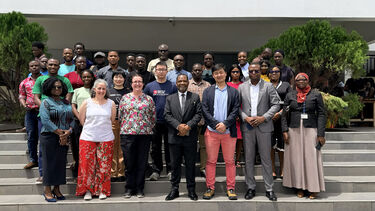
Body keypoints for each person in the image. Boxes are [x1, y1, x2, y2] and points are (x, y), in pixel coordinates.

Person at [238, 62, 280, 201]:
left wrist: (264, 118)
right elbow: (236, 106)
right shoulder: (242, 87)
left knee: (266, 159)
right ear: (248, 73)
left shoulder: (268, 86)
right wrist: (245, 118)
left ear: (260, 72)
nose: (254, 73)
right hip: (248, 127)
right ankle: (251, 187)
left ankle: (269, 189)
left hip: (264, 127)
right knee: (249, 159)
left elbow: (276, 104)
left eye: (256, 71)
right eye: (251, 71)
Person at [282, 73, 326, 199]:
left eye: (303, 79)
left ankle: (313, 188)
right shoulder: (290, 95)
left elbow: (322, 114)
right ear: (295, 82)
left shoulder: (316, 94)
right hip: (294, 129)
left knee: (311, 158)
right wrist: (284, 130)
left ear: (308, 80)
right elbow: (284, 114)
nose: (301, 81)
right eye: (298, 80)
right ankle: (299, 187)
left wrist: (321, 134)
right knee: (296, 159)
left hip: (311, 129)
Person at [201, 64, 240, 200]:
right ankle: (210, 187)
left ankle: (231, 188)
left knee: (230, 161)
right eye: (216, 73)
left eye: (221, 72)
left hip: (228, 131)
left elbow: (236, 110)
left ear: (225, 74)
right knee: (211, 161)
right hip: (212, 131)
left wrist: (225, 124)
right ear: (213, 75)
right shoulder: (208, 91)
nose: (219, 75)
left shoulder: (234, 92)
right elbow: (204, 110)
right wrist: (216, 124)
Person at [33, 58, 74, 183]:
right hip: (46, 117)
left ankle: (57, 180)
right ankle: (42, 174)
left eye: (55, 65)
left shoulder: (65, 80)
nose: (53, 66)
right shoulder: (40, 79)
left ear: (59, 67)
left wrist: (64, 132)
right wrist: (47, 106)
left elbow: (68, 96)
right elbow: (36, 97)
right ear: (46, 65)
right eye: (50, 64)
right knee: (44, 149)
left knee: (60, 150)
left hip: (63, 116)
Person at [76, 79, 116, 200]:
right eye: (99, 88)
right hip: (88, 137)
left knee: (104, 165)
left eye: (103, 89)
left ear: (106, 90)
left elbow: (112, 120)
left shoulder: (111, 103)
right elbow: (82, 120)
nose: (101, 91)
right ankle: (88, 190)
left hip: (106, 138)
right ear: (94, 89)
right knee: (87, 165)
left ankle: (102, 190)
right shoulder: (86, 102)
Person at [164, 74, 202, 201]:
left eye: (184, 81)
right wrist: (178, 126)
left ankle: (191, 190)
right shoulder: (170, 98)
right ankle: (174, 189)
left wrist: (188, 127)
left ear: (188, 83)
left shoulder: (195, 97)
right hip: (174, 137)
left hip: (189, 137)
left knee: (190, 165)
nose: (182, 83)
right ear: (176, 83)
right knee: (175, 165)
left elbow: (198, 114)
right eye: (179, 81)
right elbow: (167, 115)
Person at [120, 74, 156, 198]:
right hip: (127, 134)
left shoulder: (149, 99)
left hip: (144, 134)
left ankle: (140, 189)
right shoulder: (124, 98)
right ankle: (129, 188)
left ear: (143, 84)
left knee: (142, 162)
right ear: (131, 84)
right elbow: (121, 116)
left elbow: (153, 117)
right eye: (135, 81)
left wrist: (146, 128)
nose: (137, 84)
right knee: (129, 162)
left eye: (140, 81)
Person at [39, 77, 74, 202]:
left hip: (64, 136)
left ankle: (57, 189)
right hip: (49, 136)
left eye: (59, 87)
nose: (57, 89)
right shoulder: (45, 102)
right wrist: (59, 132)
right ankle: (47, 190)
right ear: (49, 88)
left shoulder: (66, 103)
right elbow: (45, 120)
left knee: (60, 164)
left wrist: (68, 131)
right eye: (54, 87)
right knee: (49, 164)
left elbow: (72, 120)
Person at [144, 61, 177, 181]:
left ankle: (170, 170)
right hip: (154, 122)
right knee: (155, 147)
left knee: (170, 147)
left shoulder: (173, 86)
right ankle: (156, 170)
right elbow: (145, 103)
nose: (161, 72)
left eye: (163, 69)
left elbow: (176, 103)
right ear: (155, 71)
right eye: (159, 69)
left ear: (167, 71)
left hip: (169, 121)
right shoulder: (149, 86)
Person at [187, 63, 211, 178]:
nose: (197, 72)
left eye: (199, 70)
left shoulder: (208, 85)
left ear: (202, 71)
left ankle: (203, 168)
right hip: (191, 122)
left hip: (204, 121)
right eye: (195, 70)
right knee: (190, 146)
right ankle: (190, 167)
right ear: (192, 71)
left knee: (204, 146)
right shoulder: (187, 85)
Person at [71, 69, 96, 178]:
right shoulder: (77, 91)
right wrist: (80, 119)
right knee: (77, 146)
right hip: (78, 122)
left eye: (88, 77)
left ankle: (92, 170)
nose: (86, 79)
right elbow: (73, 106)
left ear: (92, 78)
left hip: (93, 123)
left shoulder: (96, 91)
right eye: (84, 77)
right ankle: (78, 171)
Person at [268, 66, 292, 179]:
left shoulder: (286, 85)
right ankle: (272, 170)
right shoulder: (265, 85)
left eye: (276, 71)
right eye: (272, 72)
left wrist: (281, 113)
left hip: (282, 118)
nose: (274, 73)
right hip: (269, 119)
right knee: (271, 146)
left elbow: (290, 102)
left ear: (280, 73)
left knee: (282, 145)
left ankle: (283, 169)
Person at [19, 60, 42, 169]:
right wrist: (24, 105)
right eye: (32, 66)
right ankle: (33, 160)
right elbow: (21, 96)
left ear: (40, 67)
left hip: (43, 112)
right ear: (29, 68)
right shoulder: (24, 82)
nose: (34, 67)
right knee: (31, 136)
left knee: (43, 137)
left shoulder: (45, 80)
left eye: (36, 65)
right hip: (30, 112)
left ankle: (43, 160)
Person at [109, 71, 128, 182]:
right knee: (112, 147)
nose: (118, 79)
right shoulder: (108, 92)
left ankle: (121, 172)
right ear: (113, 79)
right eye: (116, 77)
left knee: (121, 148)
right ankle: (112, 172)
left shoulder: (128, 92)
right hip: (111, 122)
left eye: (121, 77)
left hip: (125, 123)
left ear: (124, 79)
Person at [226, 64, 244, 167]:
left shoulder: (244, 85)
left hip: (241, 115)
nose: (235, 74)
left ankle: (237, 160)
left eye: (237, 72)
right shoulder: (226, 85)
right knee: (230, 139)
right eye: (233, 72)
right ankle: (230, 159)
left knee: (239, 139)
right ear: (230, 73)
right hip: (229, 116)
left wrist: (239, 114)